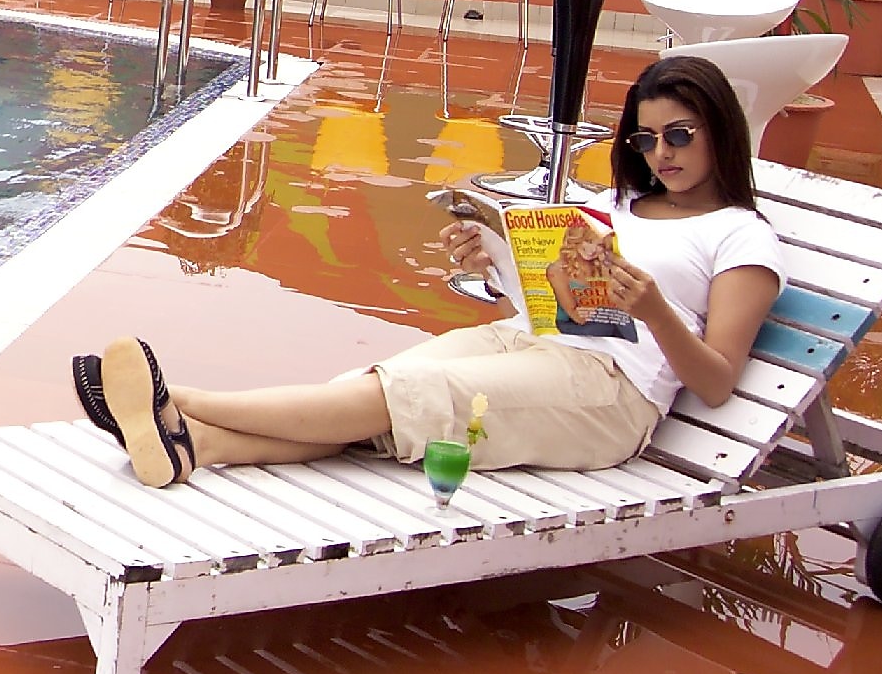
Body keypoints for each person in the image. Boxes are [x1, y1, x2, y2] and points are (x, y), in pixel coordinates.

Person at [85, 53, 786, 488]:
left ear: (720, 131)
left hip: (610, 393)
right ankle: (192, 446)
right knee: (370, 389)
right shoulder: (615, 208)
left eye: (678, 135)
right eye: (645, 138)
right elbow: (553, 305)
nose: (661, 153)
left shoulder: (740, 236)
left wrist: (654, 308)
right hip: (531, 341)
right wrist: (496, 267)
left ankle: (175, 399)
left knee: (410, 394)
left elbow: (716, 382)